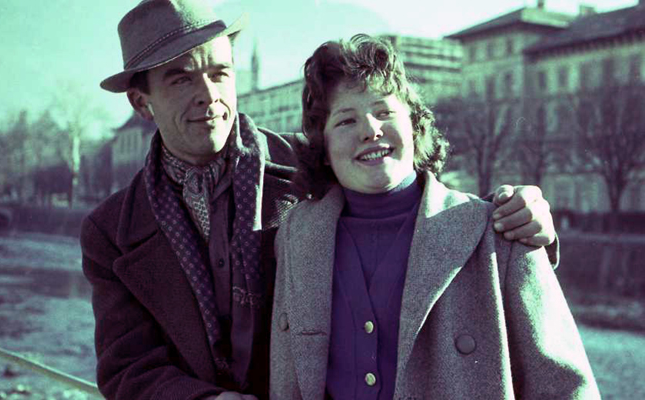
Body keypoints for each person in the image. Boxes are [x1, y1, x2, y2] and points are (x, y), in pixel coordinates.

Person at [81, 1, 558, 399]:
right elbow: (127, 368)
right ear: (141, 102)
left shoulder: (316, 161)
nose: (208, 95)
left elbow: (416, 196)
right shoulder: (110, 231)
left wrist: (515, 214)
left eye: (219, 72)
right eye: (180, 79)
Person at [269, 34, 600, 399]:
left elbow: (567, 388)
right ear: (324, 148)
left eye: (384, 112)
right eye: (346, 121)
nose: (370, 130)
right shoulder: (294, 236)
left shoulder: (500, 230)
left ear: (414, 125)